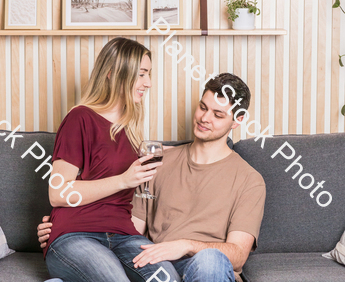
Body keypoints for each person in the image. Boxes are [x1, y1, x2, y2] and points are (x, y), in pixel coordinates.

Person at [39, 73, 266, 282]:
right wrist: (64, 225)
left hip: (206, 269)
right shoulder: (156, 162)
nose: (205, 118)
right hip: (156, 263)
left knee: (210, 259)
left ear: (238, 120)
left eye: (218, 115)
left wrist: (184, 246)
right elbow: (129, 230)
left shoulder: (249, 180)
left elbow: (237, 255)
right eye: (203, 107)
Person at [44, 37, 180, 282]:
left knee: (167, 278)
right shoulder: (80, 118)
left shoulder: (132, 129)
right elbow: (57, 192)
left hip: (123, 235)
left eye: (149, 74)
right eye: (141, 74)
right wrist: (123, 180)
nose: (148, 83)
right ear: (113, 73)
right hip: (76, 234)